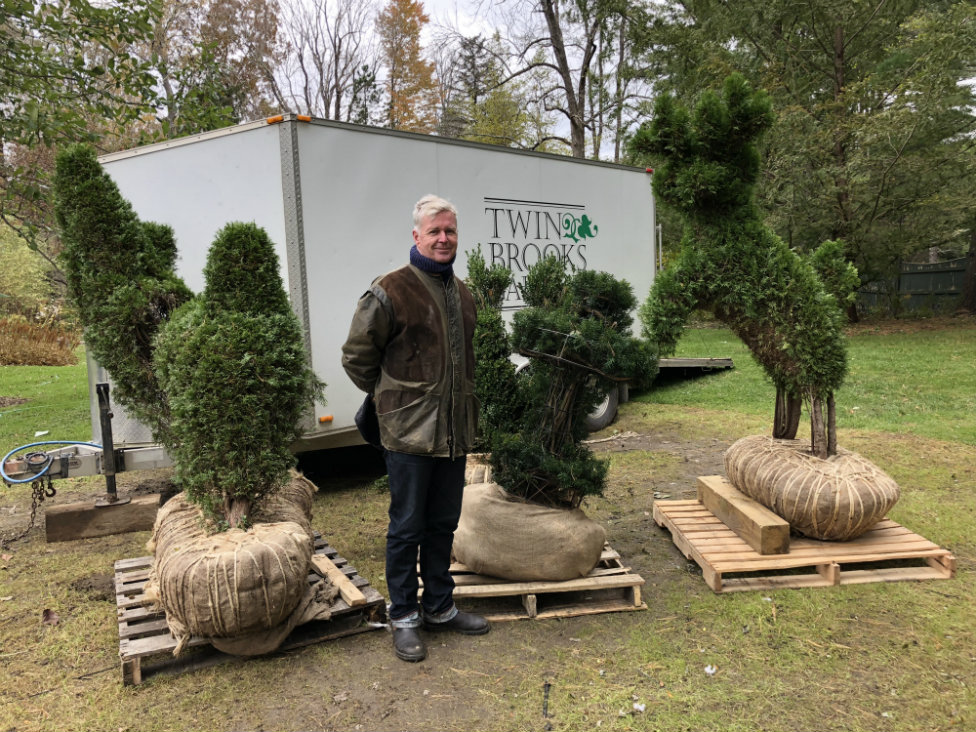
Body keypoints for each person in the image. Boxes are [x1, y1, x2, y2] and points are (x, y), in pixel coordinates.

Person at [341, 194, 489, 662]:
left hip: (454, 434)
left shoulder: (464, 294)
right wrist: (393, 402)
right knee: (406, 527)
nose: (443, 238)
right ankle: (403, 616)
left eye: (450, 231)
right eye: (434, 231)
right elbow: (357, 358)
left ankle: (439, 608)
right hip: (407, 436)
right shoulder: (389, 290)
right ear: (416, 236)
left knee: (443, 524)